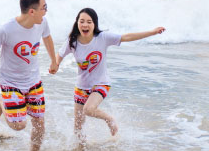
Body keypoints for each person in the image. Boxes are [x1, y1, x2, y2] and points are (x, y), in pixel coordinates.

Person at [55, 7, 164, 143]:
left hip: (101, 84)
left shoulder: (102, 38)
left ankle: (109, 119)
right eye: (81, 21)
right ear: (77, 23)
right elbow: (60, 54)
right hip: (81, 87)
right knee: (78, 128)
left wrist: (152, 32)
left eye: (89, 22)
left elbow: (126, 37)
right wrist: (55, 64)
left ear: (94, 24)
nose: (85, 25)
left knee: (88, 110)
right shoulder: (73, 41)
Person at [0, 0, 58, 151]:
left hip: (33, 80)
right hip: (11, 82)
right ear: (32, 12)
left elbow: (47, 37)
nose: (46, 11)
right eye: (44, 8)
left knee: (39, 122)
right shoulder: (5, 30)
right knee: (18, 125)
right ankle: (1, 103)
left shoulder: (42, 23)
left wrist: (54, 60)